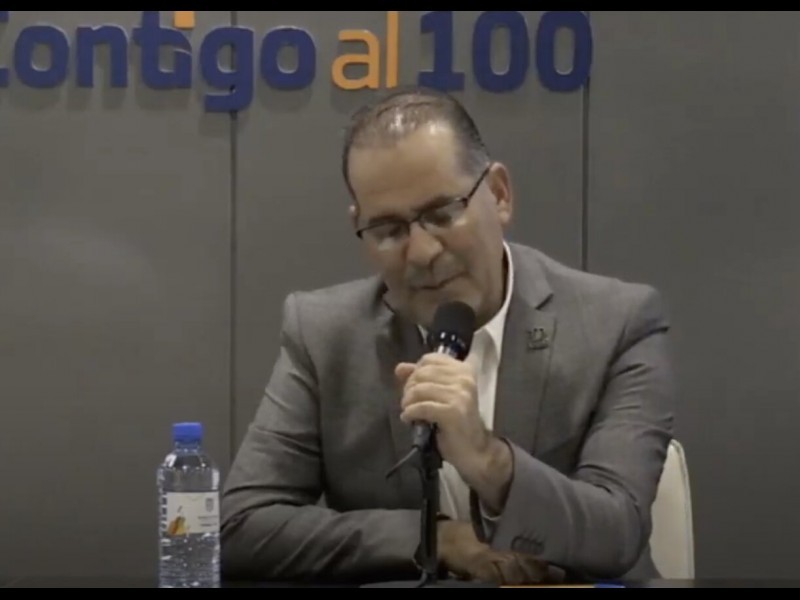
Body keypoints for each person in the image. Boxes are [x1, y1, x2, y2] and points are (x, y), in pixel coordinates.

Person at [220, 87, 675, 586]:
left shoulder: (616, 323)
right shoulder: (324, 333)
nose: (421, 252)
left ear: (499, 194)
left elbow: (616, 533)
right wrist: (435, 539)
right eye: (389, 230)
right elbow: (241, 527)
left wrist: (488, 460)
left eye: (442, 214)